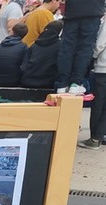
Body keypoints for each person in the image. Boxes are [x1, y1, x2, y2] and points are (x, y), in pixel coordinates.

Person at [54, 0, 105, 93]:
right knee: (85, 48)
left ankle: (62, 84)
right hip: (93, 10)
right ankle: (76, 83)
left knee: (66, 48)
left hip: (72, 10)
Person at [79, 11, 106, 146]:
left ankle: (94, 139)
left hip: (103, 67)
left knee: (98, 104)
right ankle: (100, 135)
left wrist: (92, 57)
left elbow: (100, 44)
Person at [21, 18, 63, 87]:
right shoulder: (60, 46)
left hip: (27, 80)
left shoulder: (34, 45)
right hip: (48, 82)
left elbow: (24, 65)